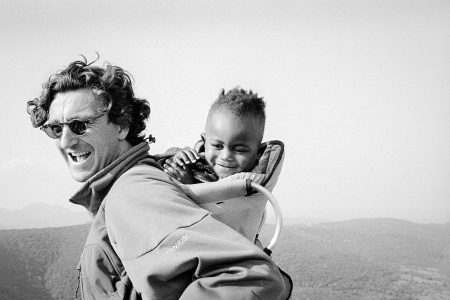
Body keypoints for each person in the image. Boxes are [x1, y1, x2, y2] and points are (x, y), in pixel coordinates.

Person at [26, 57, 292, 299]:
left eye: (79, 125)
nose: (65, 141)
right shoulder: (129, 188)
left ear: (122, 125)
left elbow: (249, 277)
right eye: (54, 129)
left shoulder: (134, 193)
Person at [159, 88, 285, 244]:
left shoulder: (253, 189)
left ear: (258, 153)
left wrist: (188, 187)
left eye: (239, 149)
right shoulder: (193, 164)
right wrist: (172, 160)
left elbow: (215, 230)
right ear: (204, 142)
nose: (226, 157)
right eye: (217, 146)